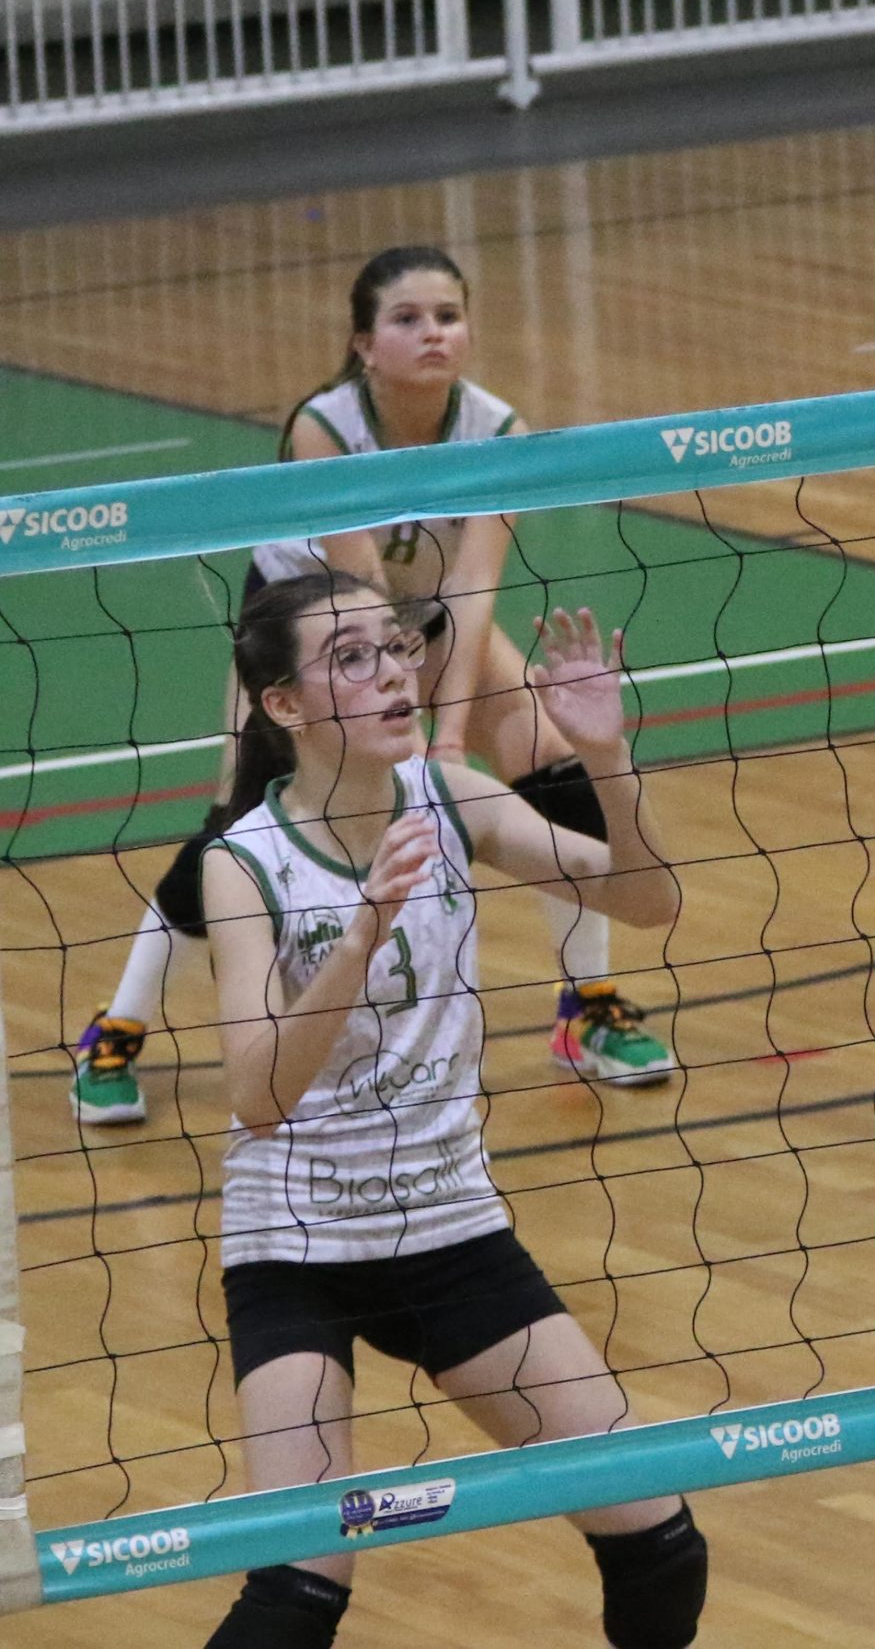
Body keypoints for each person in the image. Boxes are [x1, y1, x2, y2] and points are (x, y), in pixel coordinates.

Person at [194, 572, 706, 1649]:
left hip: (449, 1229)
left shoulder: (452, 792)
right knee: (296, 1592)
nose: (393, 672)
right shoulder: (245, 866)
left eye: (396, 646)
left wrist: (606, 758)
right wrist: (367, 923)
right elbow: (260, 1094)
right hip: (297, 1239)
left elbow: (648, 897)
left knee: (658, 1539)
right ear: (283, 705)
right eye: (351, 657)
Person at [70, 246, 671, 1127]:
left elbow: (471, 587)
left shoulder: (498, 430)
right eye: (408, 319)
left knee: (551, 763)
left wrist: (452, 736)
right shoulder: (324, 426)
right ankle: (116, 1028)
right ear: (363, 342)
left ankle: (588, 1005)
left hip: (428, 615)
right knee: (236, 823)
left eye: (449, 316)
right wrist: (405, 703)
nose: (434, 333)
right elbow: (357, 598)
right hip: (307, 627)